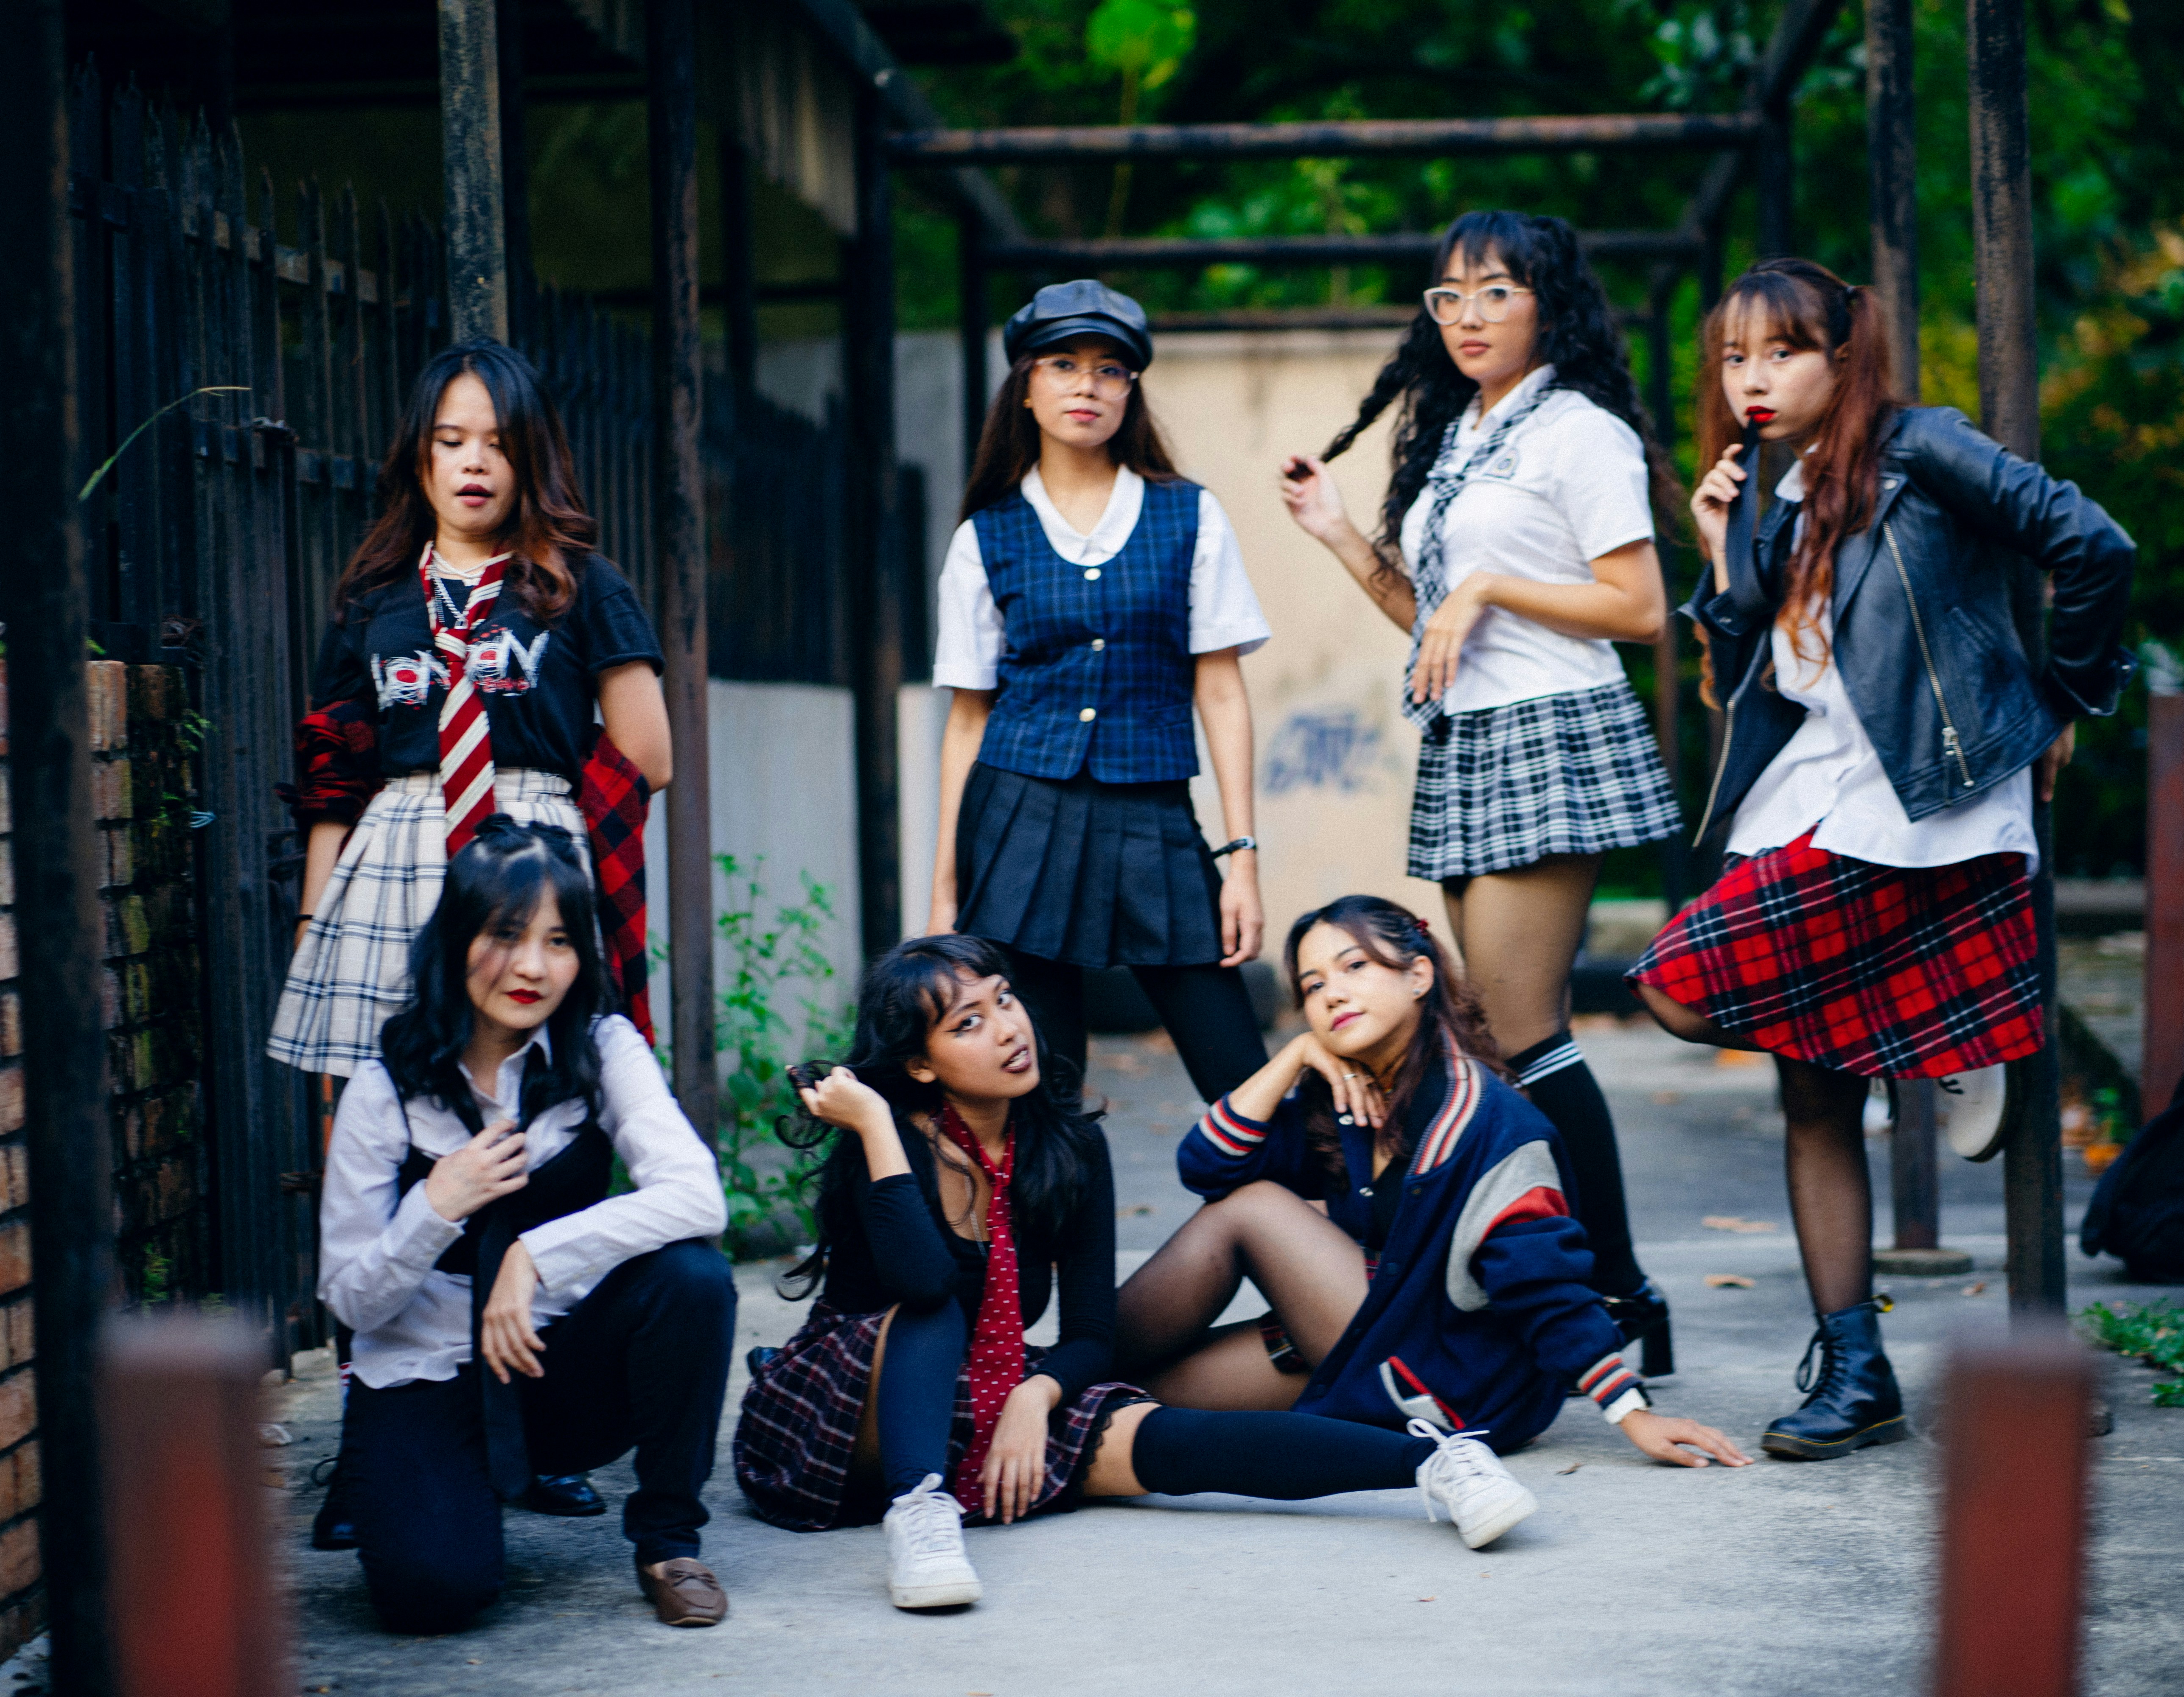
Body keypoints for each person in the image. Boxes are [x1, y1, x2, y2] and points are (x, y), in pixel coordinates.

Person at [1629, 257, 2134, 1458]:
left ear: (1845, 356)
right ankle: (1857, 1370)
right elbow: (1751, 672)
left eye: (1782, 352)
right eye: (1734, 359)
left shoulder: (1923, 448)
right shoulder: (1771, 492)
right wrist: (1721, 552)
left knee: (1675, 985)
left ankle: (1948, 1038)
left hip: (1921, 800)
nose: (1751, 380)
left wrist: (2059, 700)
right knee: (1810, 1090)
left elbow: (2092, 545)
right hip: (1809, 794)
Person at [735, 934, 1588, 1614]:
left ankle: (1438, 1465)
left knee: (1171, 1441)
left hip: (987, 1389)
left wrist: (1037, 1394)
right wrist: (877, 1128)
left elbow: (1091, 1335)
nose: (1008, 1028)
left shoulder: (1069, 1147)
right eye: (968, 1023)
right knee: (935, 1316)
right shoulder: (889, 1143)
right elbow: (924, 1288)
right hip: (849, 1410)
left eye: (1005, 1000)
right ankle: (921, 1514)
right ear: (918, 1063)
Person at [1277, 213, 1685, 1372]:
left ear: (1550, 303)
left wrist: (1491, 587)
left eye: (1497, 291)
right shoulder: (1463, 436)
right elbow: (1435, 625)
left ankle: (1620, 1291)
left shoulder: (1580, 432)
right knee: (1495, 1038)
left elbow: (1640, 607)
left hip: (1553, 731)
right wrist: (1341, 536)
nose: (1467, 316)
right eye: (1448, 295)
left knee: (1523, 1031)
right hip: (1471, 735)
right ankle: (1552, 1281)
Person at [1114, 895, 1748, 1471]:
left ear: (1419, 976)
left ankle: (1070, 1361)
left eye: (1354, 966)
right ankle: (1065, 1384)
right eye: (1313, 985)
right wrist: (1294, 1056)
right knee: (1131, 1398)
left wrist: (1631, 1413)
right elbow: (1207, 1168)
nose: (1333, 995)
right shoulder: (1347, 1098)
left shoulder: (1488, 1123)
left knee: (1252, 1209)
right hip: (1372, 1336)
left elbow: (1544, 1284)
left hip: (1456, 1378)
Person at [317, 818, 736, 1633]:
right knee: (433, 1596)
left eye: (559, 940)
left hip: (558, 1368)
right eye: (506, 935)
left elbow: (698, 1197)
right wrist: (436, 1207)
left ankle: (669, 1544)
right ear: (456, 938)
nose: (534, 967)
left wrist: (534, 1258)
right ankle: (394, 1479)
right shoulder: (384, 1088)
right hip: (430, 1374)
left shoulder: (602, 1047)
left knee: (693, 1281)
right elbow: (351, 1300)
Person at [270, 336, 671, 1079]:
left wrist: (552, 839)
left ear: (532, 458)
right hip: (399, 858)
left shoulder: (582, 584)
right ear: (419, 456)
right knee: (394, 1087)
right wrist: (312, 915)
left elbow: (648, 756)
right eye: (450, 441)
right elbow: (336, 776)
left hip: (535, 855)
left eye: (499, 443)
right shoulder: (373, 597)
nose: (474, 463)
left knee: (542, 1081)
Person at [930, 279, 1272, 1103]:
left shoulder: (1190, 515)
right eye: (1064, 364)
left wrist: (1242, 859)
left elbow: (1221, 691)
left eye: (1110, 368)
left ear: (1130, 390)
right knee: (1045, 1095)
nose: (1087, 384)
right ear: (1027, 386)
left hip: (1153, 815)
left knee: (1241, 1076)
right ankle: (1062, 1201)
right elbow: (969, 717)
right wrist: (944, 892)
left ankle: (1292, 1193)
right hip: (1018, 821)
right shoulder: (986, 535)